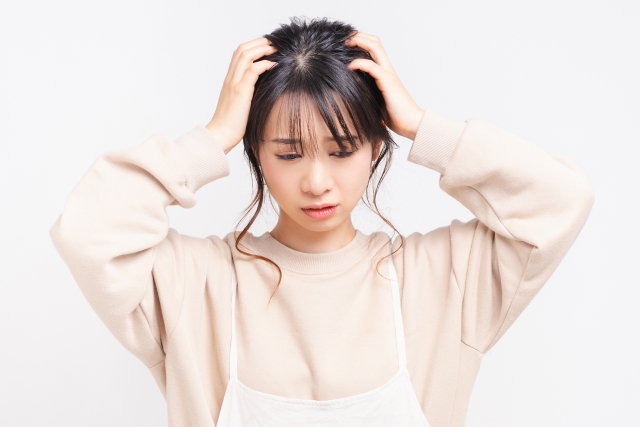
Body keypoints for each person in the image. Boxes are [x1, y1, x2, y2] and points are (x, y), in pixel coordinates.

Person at [49, 17, 594, 427]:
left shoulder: (444, 277)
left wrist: (421, 126)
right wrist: (212, 138)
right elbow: (86, 231)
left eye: (342, 150)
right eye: (288, 153)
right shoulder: (195, 283)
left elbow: (561, 199)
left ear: (376, 147)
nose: (316, 182)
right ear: (255, 153)